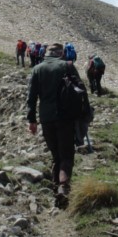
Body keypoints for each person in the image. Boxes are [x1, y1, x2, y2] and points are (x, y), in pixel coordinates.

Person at [27, 42, 85, 208]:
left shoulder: (37, 69)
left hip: (46, 118)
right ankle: (63, 188)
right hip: (66, 117)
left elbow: (31, 97)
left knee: (55, 154)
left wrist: (32, 120)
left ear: (46, 54)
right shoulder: (67, 66)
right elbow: (81, 90)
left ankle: (56, 189)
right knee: (66, 155)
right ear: (61, 53)